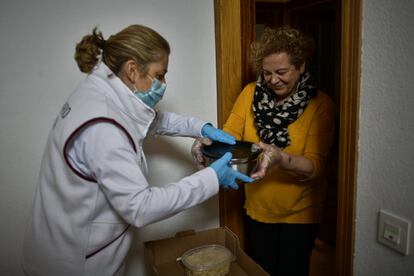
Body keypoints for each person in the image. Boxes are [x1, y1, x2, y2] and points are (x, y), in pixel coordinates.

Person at [22, 24, 253, 276]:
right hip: (76, 263)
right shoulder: (104, 126)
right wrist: (211, 178)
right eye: (160, 74)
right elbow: (141, 208)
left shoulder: (102, 91)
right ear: (132, 69)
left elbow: (151, 120)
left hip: (68, 239)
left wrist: (202, 128)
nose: (164, 83)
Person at [192, 26, 335, 275]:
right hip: (257, 207)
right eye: (267, 73)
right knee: (261, 270)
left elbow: (315, 166)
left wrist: (280, 158)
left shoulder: (320, 104)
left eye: (282, 72)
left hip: (301, 212)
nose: (273, 80)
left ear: (301, 66)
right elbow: (230, 137)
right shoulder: (250, 94)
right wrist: (206, 143)